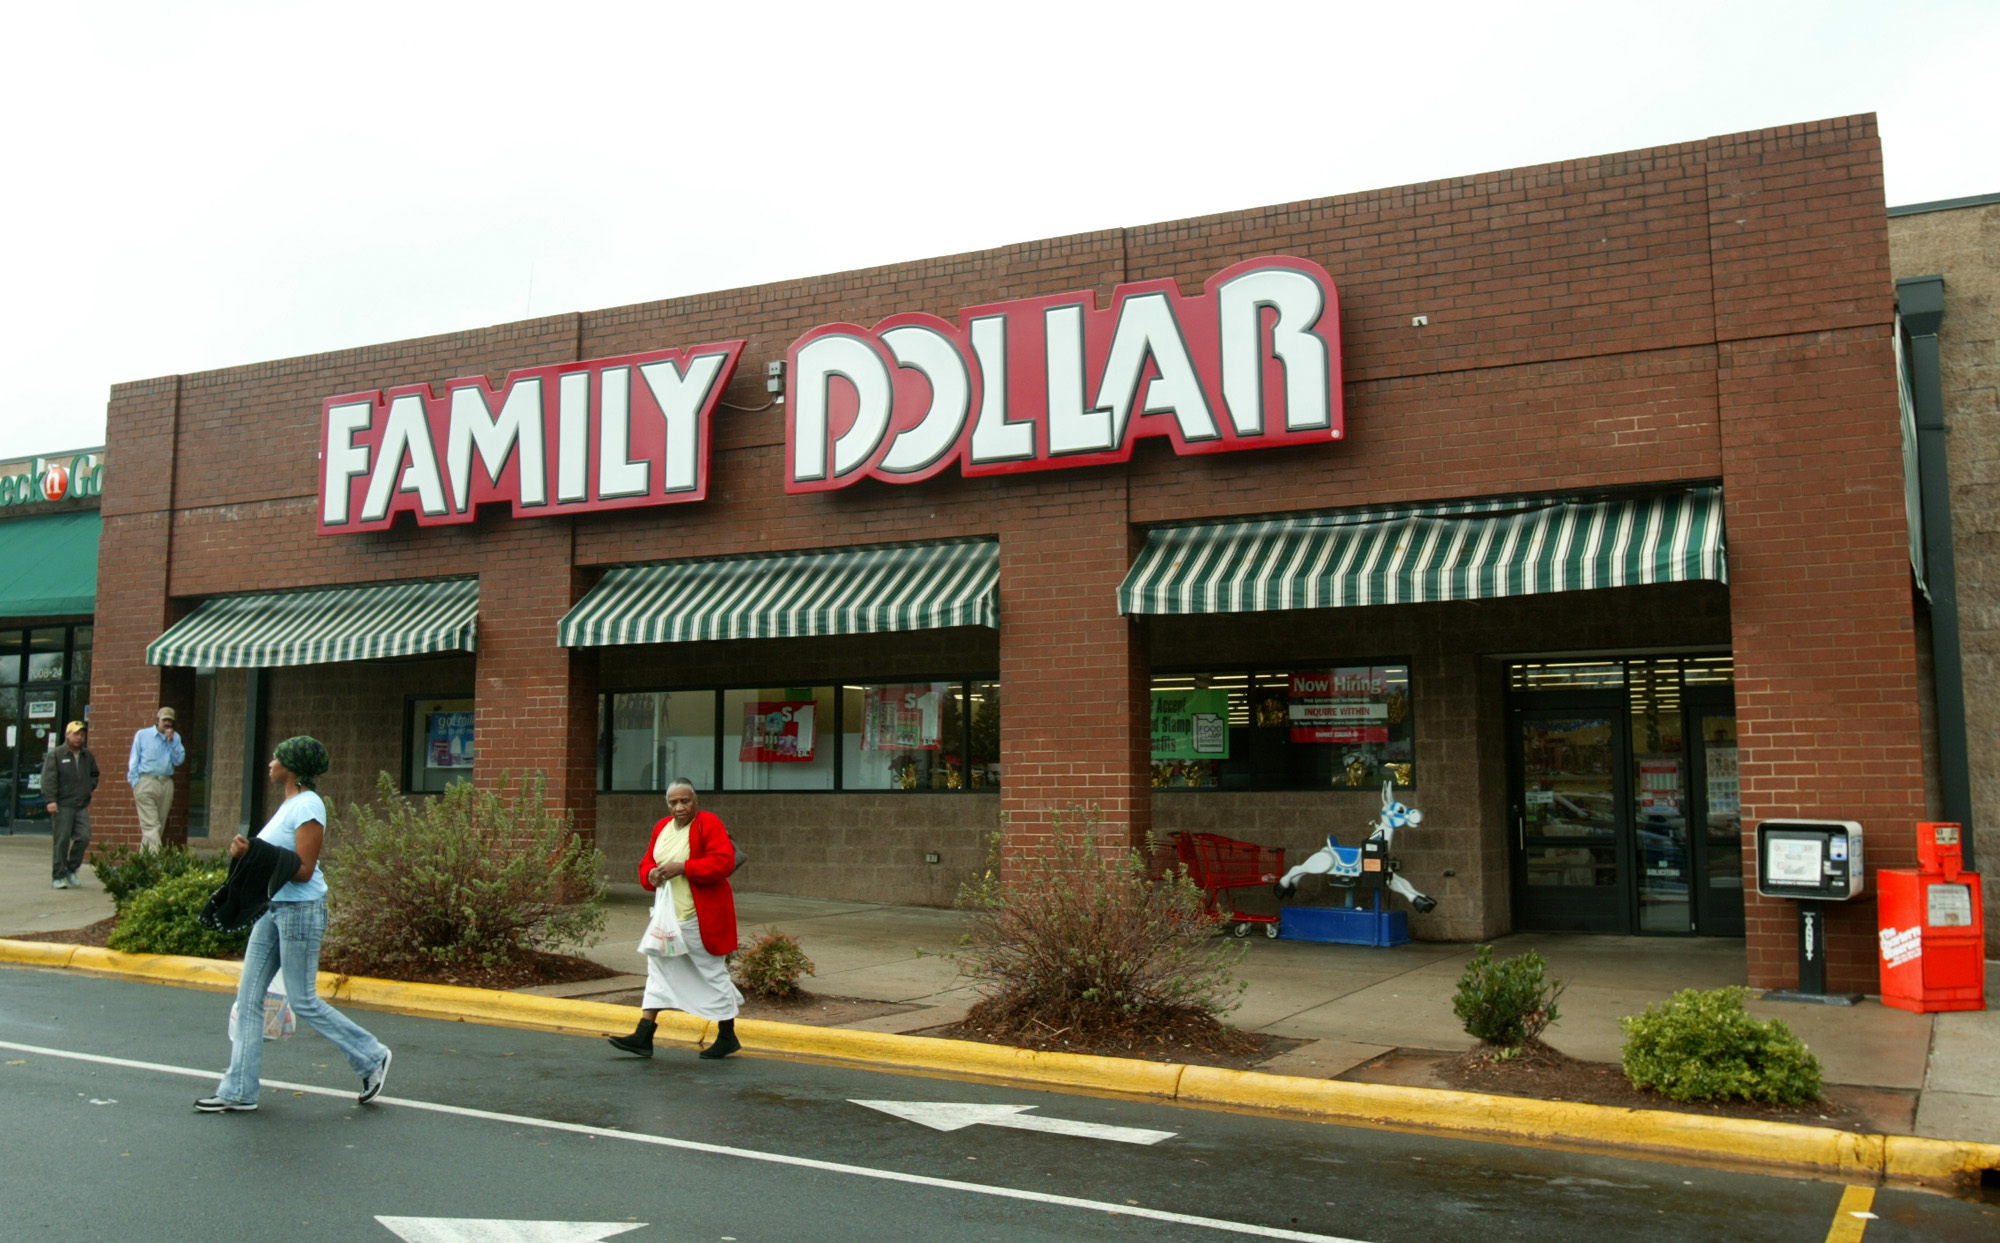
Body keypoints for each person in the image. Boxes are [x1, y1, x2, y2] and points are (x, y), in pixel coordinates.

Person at [196, 735, 392, 1113]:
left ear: (291, 767)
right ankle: (239, 1091)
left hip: (300, 910)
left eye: (276, 758)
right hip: (274, 909)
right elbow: (273, 860)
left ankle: (372, 1056)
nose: (270, 763)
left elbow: (302, 870)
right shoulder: (290, 804)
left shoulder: (310, 805)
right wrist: (246, 853)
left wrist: (256, 850)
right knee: (248, 998)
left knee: (303, 1000)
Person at [609, 778, 743, 1060]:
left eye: (685, 801)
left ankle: (727, 1035)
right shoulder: (662, 827)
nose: (680, 807)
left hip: (698, 916)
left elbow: (723, 862)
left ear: (696, 801)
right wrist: (650, 873)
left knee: (710, 971)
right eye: (673, 802)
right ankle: (644, 1034)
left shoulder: (708, 823)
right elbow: (647, 861)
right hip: (666, 916)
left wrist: (684, 868)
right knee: (658, 969)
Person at [43, 721, 100, 889]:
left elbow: (94, 774)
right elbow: (49, 779)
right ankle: (58, 875)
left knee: (84, 837)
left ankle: (71, 869)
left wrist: (88, 787)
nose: (79, 737)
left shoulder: (87, 755)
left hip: (81, 804)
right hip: (63, 805)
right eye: (75, 734)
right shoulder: (56, 755)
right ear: (67, 735)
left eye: (82, 734)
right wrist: (51, 800)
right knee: (62, 841)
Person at [127, 706, 186, 852]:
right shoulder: (142, 735)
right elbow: (134, 760)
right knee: (151, 826)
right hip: (146, 781)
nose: (167, 723)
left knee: (158, 825)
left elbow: (178, 760)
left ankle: (144, 860)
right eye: (164, 720)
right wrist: (135, 782)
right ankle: (156, 860)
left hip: (166, 783)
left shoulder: (175, 738)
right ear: (157, 720)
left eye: (170, 721)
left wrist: (171, 742)